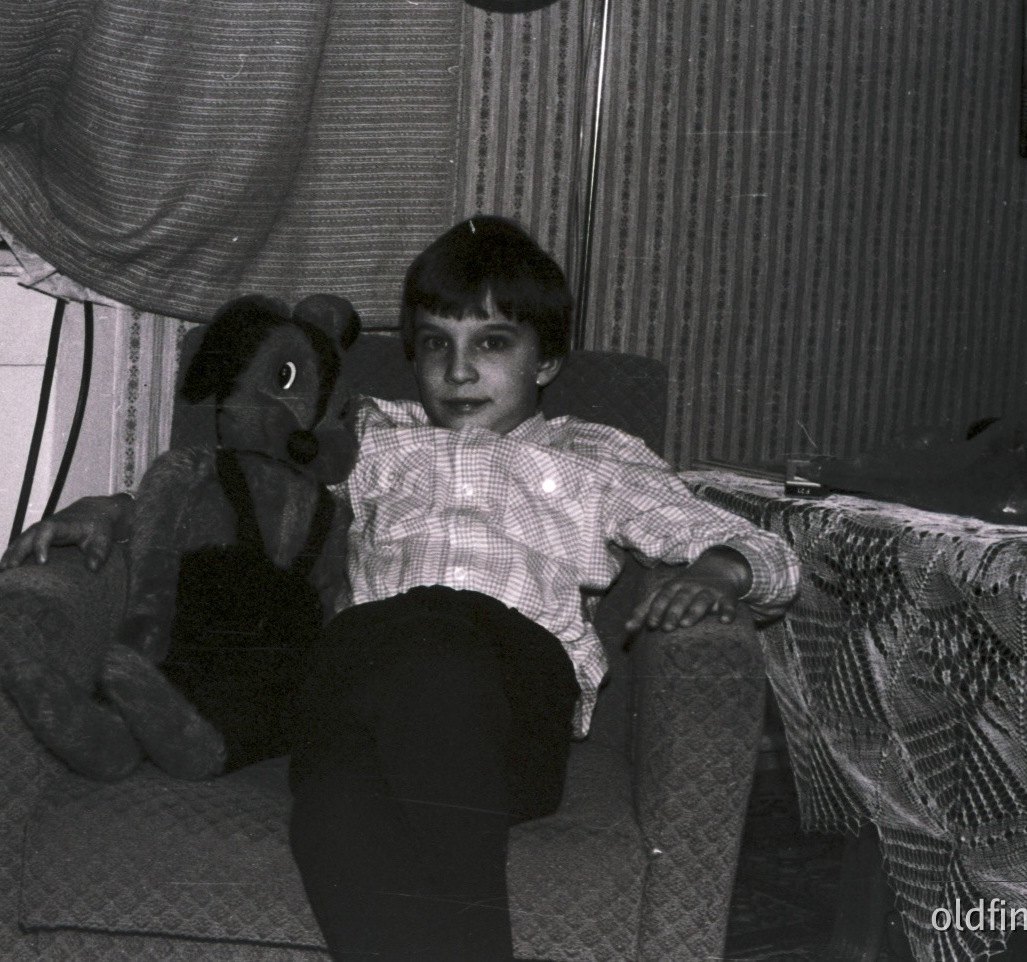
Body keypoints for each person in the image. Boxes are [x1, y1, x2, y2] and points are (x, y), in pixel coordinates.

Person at [286, 214, 800, 962]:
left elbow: (766, 551)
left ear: (548, 359)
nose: (458, 371)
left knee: (407, 696)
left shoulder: (590, 456)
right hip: (363, 676)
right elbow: (240, 490)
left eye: (490, 343)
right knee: (332, 804)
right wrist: (116, 514)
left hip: (508, 700)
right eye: (436, 344)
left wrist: (715, 570)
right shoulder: (370, 439)